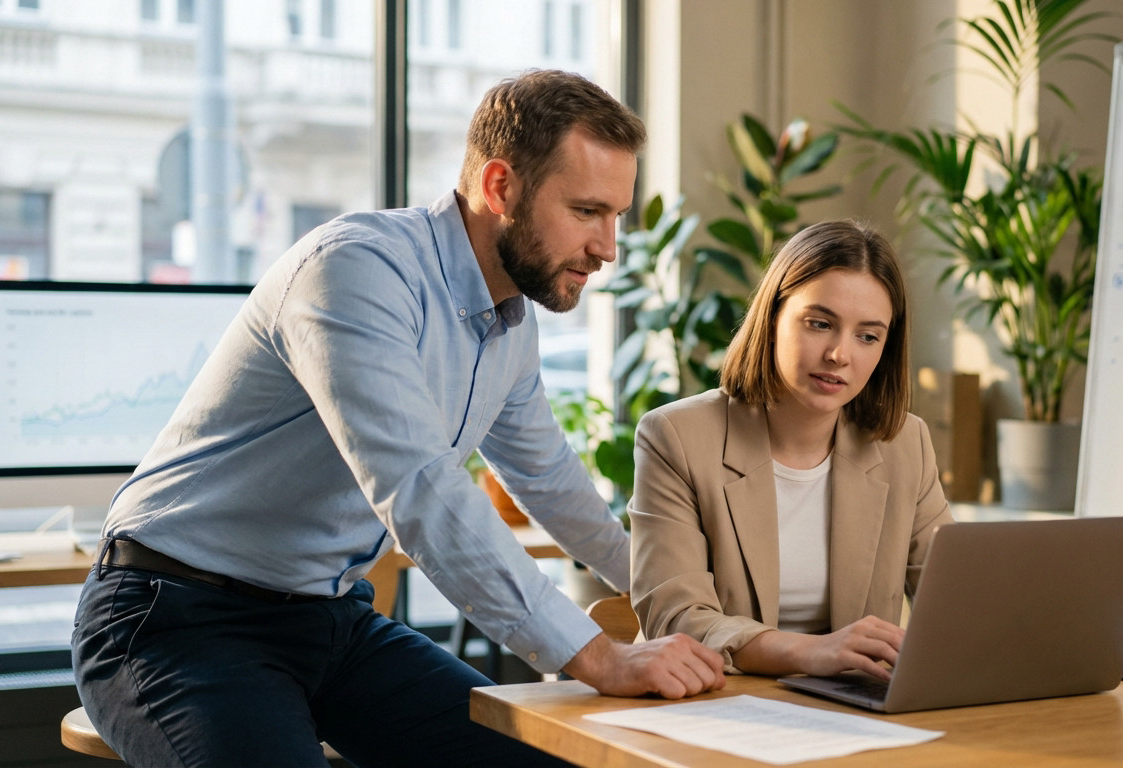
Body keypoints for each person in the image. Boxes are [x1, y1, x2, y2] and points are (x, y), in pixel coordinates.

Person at [71, 69, 725, 768]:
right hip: (174, 617)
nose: (608, 247)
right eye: (588, 211)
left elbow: (549, 479)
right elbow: (421, 491)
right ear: (501, 187)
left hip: (331, 620)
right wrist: (597, 657)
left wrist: (677, 591)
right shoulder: (356, 271)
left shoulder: (511, 318)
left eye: (616, 216)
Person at [628, 220, 954, 680]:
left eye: (867, 335)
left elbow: (954, 603)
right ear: (773, 317)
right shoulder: (675, 437)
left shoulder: (906, 445)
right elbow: (676, 616)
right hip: (711, 704)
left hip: (852, 715)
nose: (840, 354)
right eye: (820, 324)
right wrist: (811, 652)